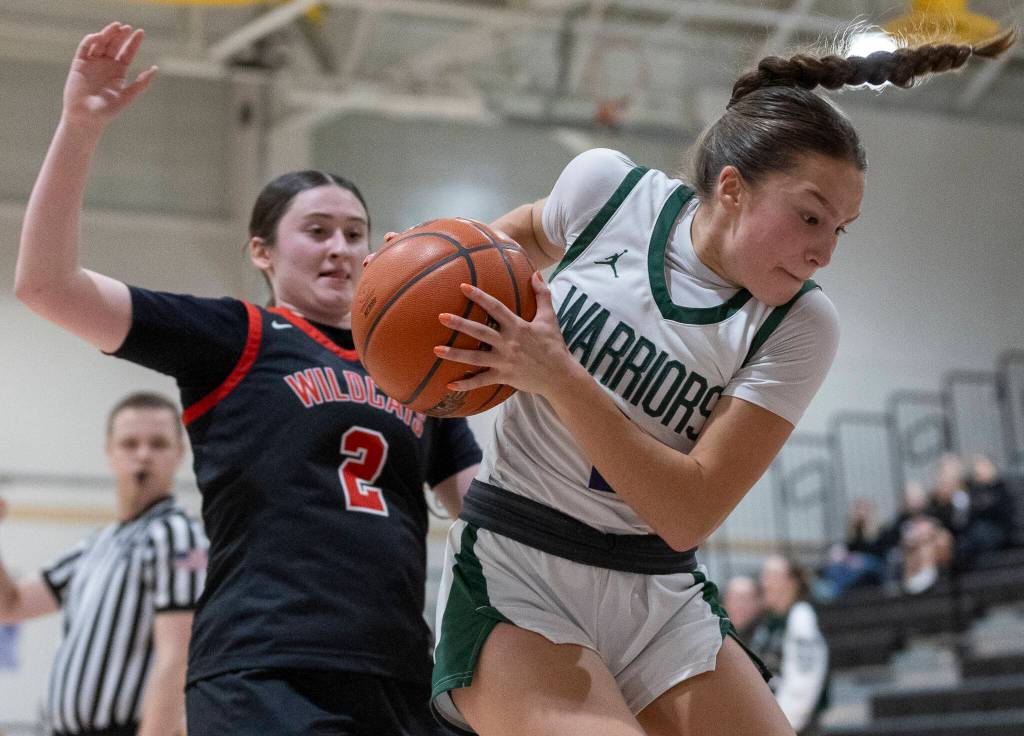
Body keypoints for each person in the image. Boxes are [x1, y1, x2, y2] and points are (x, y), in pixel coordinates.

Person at [416, 29, 1016, 736]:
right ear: (731, 188)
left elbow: (688, 511)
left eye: (840, 231)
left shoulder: (800, 327)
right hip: (518, 561)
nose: (822, 252)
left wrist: (557, 375)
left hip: (655, 584)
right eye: (809, 216)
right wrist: (424, 303)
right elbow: (483, 259)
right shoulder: (607, 192)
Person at [15, 22, 482, 735]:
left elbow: (480, 512)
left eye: (355, 232)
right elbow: (47, 285)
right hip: (264, 668)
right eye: (317, 230)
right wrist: (79, 126)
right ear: (261, 251)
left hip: (398, 669)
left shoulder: (415, 368)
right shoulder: (236, 336)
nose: (341, 248)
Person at [0, 392, 206, 736]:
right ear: (109, 452)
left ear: (179, 454)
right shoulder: (97, 544)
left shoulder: (176, 536)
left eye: (157, 444)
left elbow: (176, 657)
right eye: (130, 444)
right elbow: (10, 605)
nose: (143, 455)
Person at [750, 556, 829, 736]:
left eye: (771, 576)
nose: (764, 583)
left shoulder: (802, 617)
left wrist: (780, 729)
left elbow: (804, 680)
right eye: (764, 576)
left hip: (794, 727)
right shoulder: (768, 623)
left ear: (791, 583)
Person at [723, 575, 763, 640]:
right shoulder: (717, 634)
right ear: (725, 603)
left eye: (746, 600)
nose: (740, 606)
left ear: (757, 604)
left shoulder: (767, 636)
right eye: (735, 600)